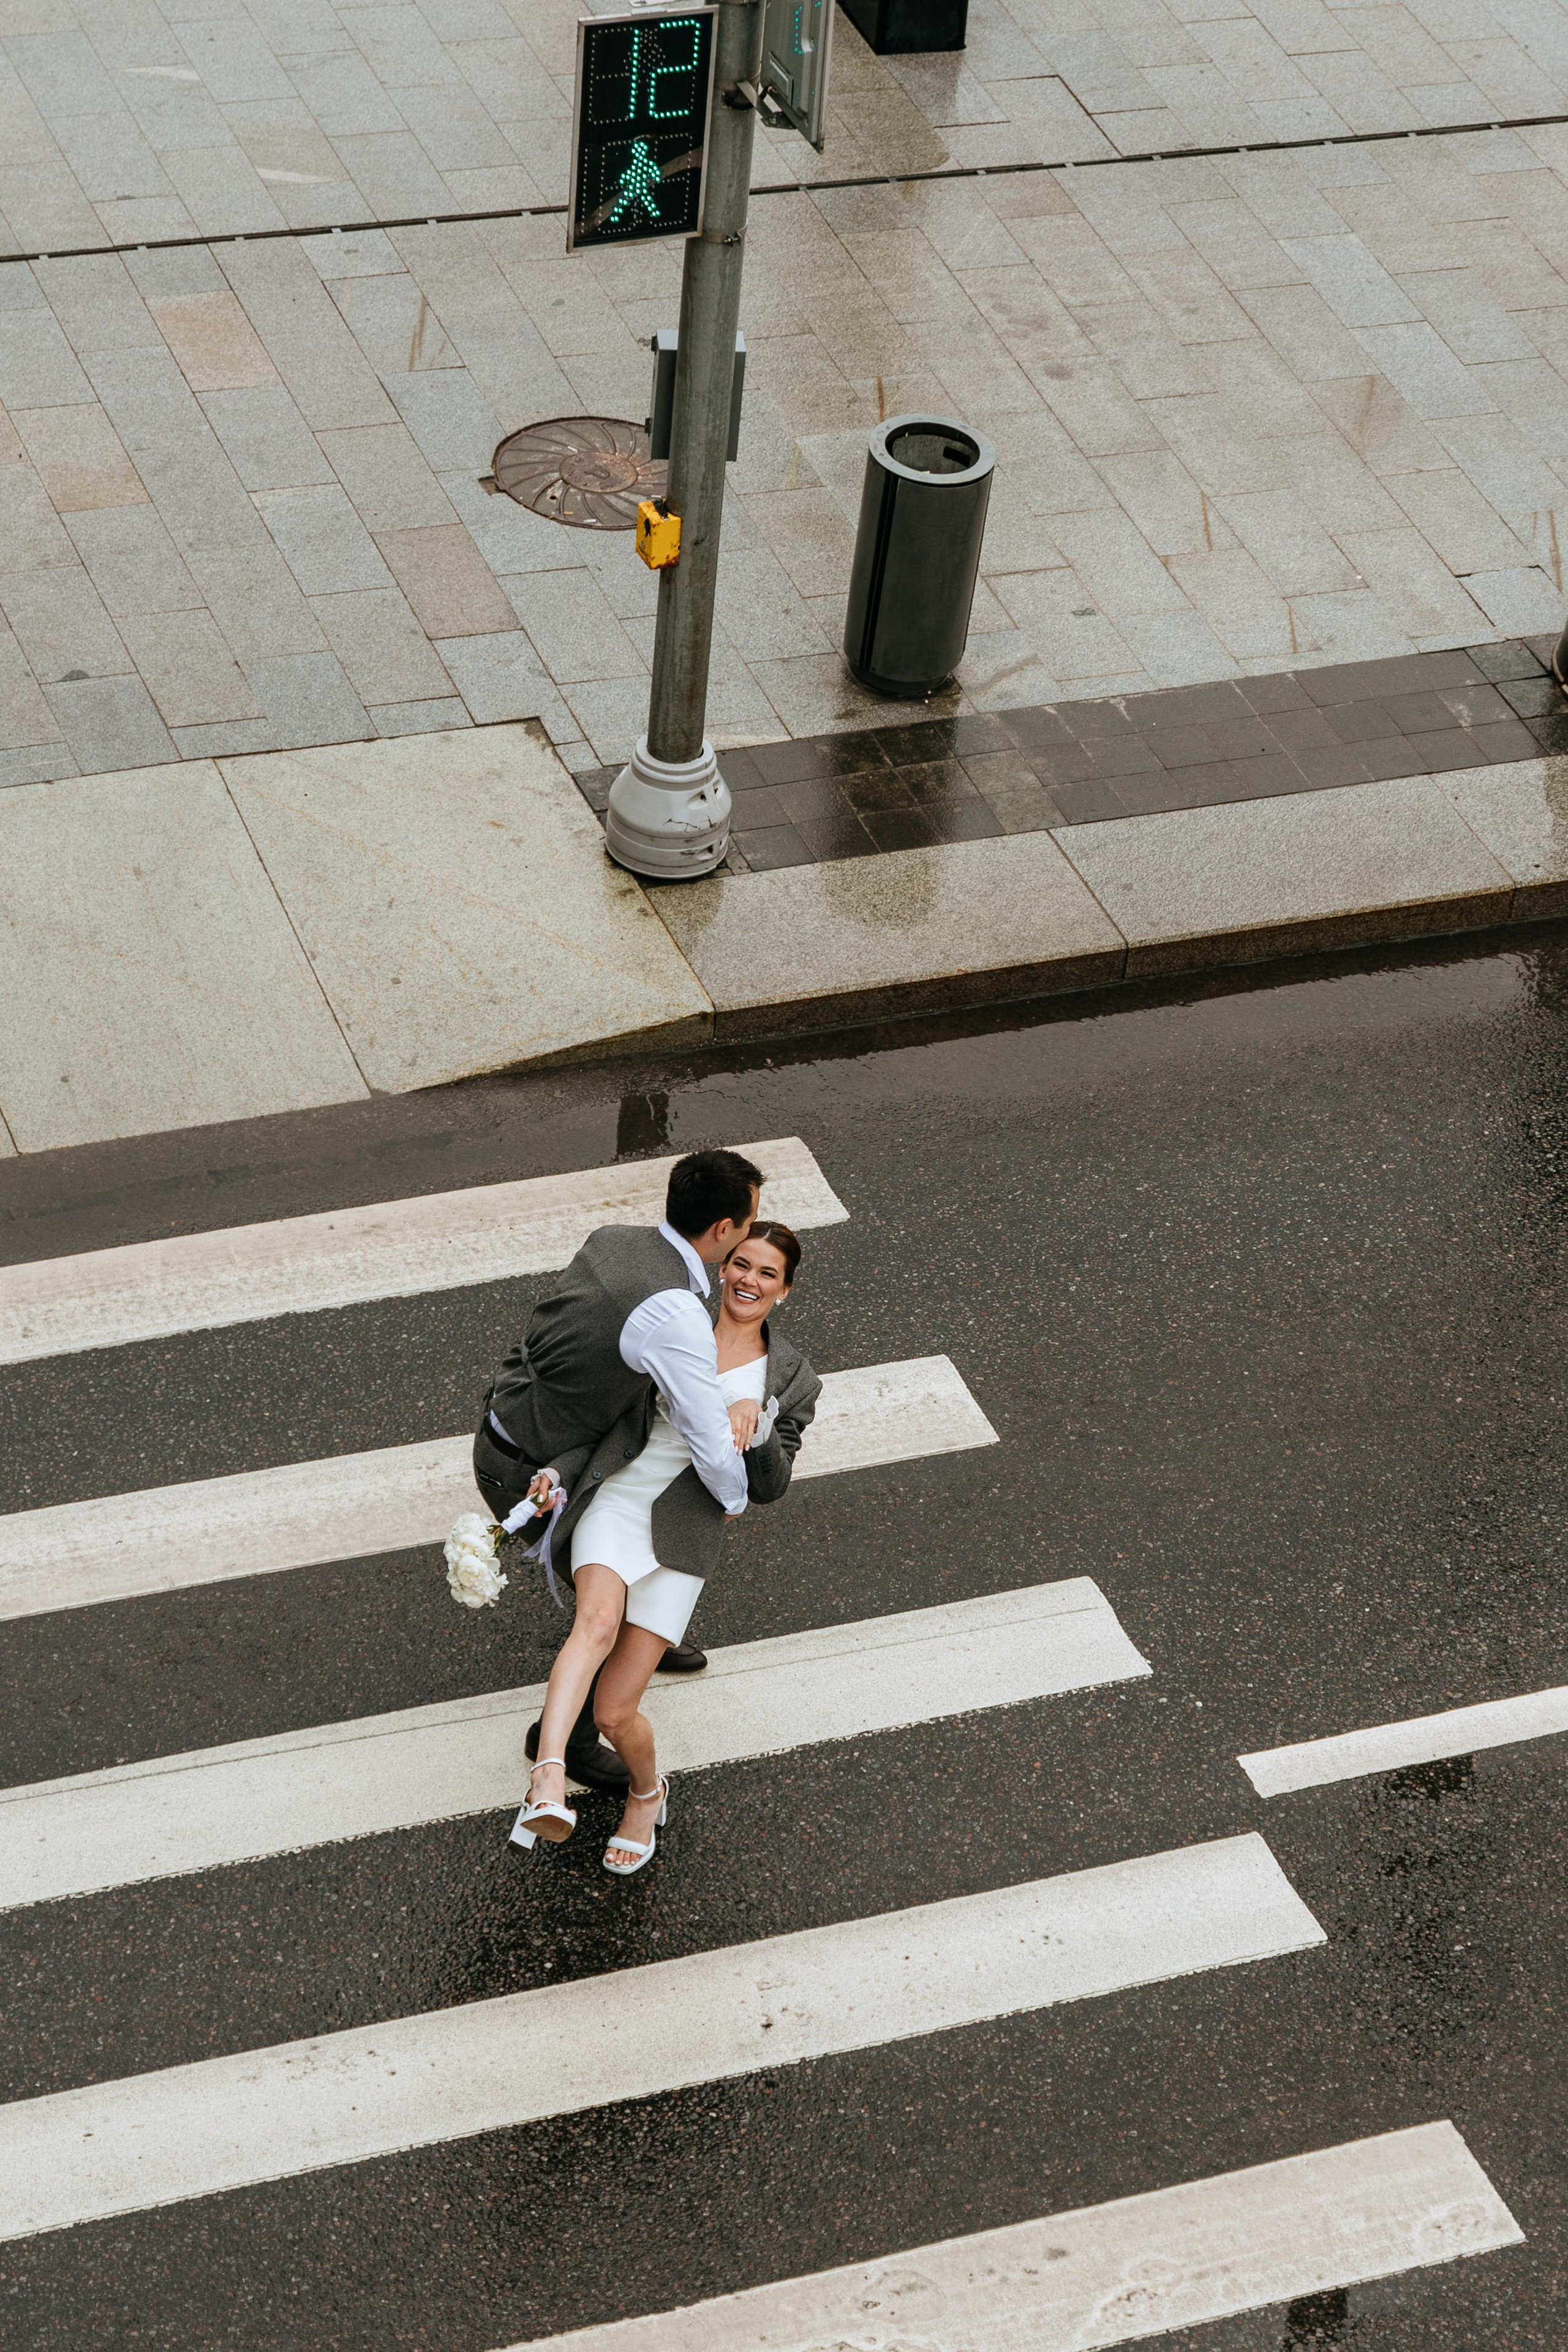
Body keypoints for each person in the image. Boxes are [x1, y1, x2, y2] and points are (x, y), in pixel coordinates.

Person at [509, 1217, 818, 1874]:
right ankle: (546, 1782)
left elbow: (771, 1487)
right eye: (740, 1263)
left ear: (784, 1291)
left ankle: (647, 1794)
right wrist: (559, 1474)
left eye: (767, 1273)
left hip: (683, 1536)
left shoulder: (792, 1379)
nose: (748, 1280)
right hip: (619, 1497)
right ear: (722, 1266)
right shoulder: (675, 1324)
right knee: (593, 1625)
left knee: (617, 1713)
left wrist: (757, 1429)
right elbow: (607, 1418)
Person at [472, 1147, 760, 1787]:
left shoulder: (613, 1240)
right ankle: (567, 1742)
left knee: (618, 1581)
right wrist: (734, 1497)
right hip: (537, 1470)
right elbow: (706, 1432)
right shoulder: (675, 1314)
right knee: (608, 1609)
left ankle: (647, 1640)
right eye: (746, 1227)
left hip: (507, 1428)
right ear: (722, 1231)